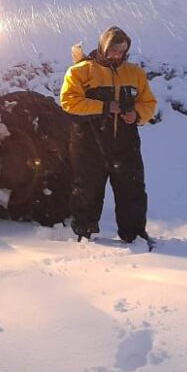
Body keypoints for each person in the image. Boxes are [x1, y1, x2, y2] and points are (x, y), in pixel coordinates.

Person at [59, 26, 157, 245]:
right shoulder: (80, 71)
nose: (117, 55)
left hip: (126, 143)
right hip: (88, 142)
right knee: (87, 189)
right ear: (103, 47)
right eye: (113, 49)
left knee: (132, 189)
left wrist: (137, 114)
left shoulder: (135, 73)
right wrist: (103, 107)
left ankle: (135, 234)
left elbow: (149, 102)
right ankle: (83, 233)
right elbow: (68, 102)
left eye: (121, 50)